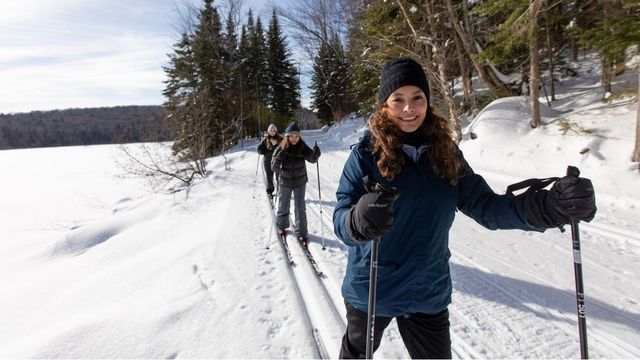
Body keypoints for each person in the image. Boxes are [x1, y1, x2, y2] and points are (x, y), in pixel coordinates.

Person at [332, 57, 597, 359]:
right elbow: (341, 218)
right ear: (384, 105)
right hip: (374, 288)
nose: (409, 109)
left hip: (427, 290)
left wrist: (549, 207)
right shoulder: (365, 155)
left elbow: (487, 206)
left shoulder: (445, 153)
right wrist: (358, 219)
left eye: (417, 98)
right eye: (398, 100)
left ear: (427, 101)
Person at [271, 122, 321, 247]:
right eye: (292, 136)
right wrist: (279, 158)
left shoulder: (302, 147)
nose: (294, 138)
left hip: (300, 182)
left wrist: (315, 155)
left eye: (297, 136)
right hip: (285, 182)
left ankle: (302, 233)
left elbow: (312, 159)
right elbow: (274, 167)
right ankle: (282, 226)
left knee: (300, 208)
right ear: (287, 136)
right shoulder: (280, 148)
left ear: (300, 137)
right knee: (283, 206)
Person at [257, 124, 283, 199]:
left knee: (279, 177)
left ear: (276, 131)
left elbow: (285, 147)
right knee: (269, 177)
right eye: (271, 131)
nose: (272, 132)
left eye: (274, 130)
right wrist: (260, 150)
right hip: (268, 162)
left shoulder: (280, 139)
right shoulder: (265, 140)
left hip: (278, 162)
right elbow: (260, 150)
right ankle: (270, 191)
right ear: (268, 131)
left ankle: (280, 191)